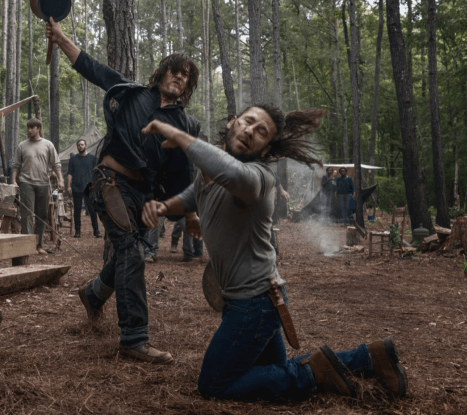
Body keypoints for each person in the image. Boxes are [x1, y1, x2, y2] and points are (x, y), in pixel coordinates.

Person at [140, 104, 407, 402]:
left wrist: (179, 136)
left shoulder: (259, 177)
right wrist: (165, 206)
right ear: (232, 123)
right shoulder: (211, 172)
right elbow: (196, 193)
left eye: (261, 132)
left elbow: (233, 175)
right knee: (273, 372)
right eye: (248, 122)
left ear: (265, 149)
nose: (250, 132)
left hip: (253, 305)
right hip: (256, 301)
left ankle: (314, 374)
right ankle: (368, 358)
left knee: (214, 385)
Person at [46, 18, 200, 364]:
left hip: (145, 197)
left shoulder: (186, 125)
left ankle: (93, 294)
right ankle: (134, 337)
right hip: (110, 183)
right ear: (162, 73)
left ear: (188, 85)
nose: (179, 77)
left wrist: (189, 213)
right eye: (174, 70)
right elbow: (91, 67)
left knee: (127, 252)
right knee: (131, 251)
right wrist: (60, 37)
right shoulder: (132, 93)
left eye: (186, 75)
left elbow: (184, 173)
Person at [11, 118, 64, 255]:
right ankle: (27, 245)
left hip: (43, 183)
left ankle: (38, 245)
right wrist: (14, 181)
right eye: (28, 128)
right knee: (27, 214)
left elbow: (56, 164)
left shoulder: (48, 145)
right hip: (26, 182)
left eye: (32, 128)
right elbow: (16, 165)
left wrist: (61, 179)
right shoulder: (22, 146)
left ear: (38, 129)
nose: (29, 130)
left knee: (42, 215)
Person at [66, 139, 102, 238]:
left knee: (92, 210)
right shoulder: (73, 159)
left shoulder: (92, 158)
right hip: (76, 187)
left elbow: (97, 173)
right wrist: (68, 186)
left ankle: (96, 230)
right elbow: (69, 173)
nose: (80, 146)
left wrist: (96, 185)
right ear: (77, 146)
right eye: (79, 145)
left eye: (82, 144)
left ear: (85, 145)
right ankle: (77, 231)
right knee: (77, 210)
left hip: (89, 187)